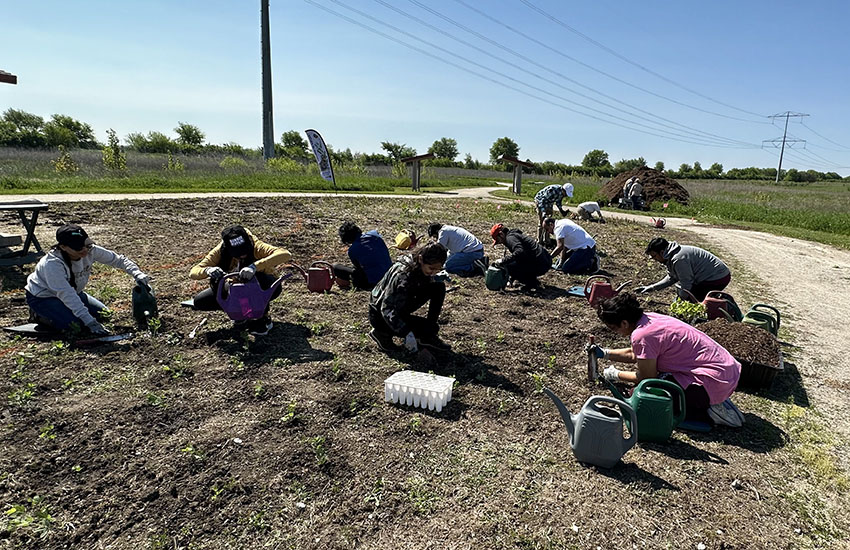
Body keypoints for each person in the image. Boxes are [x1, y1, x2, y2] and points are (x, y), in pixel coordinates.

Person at [589, 293, 744, 427]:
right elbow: (636, 354)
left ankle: (710, 411)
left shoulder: (642, 335)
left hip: (714, 380)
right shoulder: (649, 319)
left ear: (624, 323)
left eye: (613, 328)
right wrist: (605, 353)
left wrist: (614, 374)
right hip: (726, 372)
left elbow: (647, 379)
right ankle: (708, 399)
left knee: (644, 397)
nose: (614, 332)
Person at [25, 224, 150, 335]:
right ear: (63, 247)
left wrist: (137, 273)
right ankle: (40, 315)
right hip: (44, 297)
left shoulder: (91, 250)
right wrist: (90, 322)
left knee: (104, 315)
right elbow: (66, 294)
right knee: (76, 326)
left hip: (75, 293)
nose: (84, 250)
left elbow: (118, 260)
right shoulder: (52, 265)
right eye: (78, 248)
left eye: (86, 245)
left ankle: (64, 313)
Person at [189, 225, 291, 335]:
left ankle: (261, 319)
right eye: (237, 252)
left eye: (244, 250)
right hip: (235, 288)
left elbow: (285, 254)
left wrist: (254, 267)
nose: (242, 255)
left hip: (263, 286)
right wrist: (208, 270)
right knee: (201, 301)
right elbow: (194, 272)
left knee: (257, 281)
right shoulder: (220, 251)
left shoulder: (256, 246)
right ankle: (240, 313)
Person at [368, 242, 452, 353]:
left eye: (438, 269)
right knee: (423, 329)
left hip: (399, 305)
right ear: (421, 259)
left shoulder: (416, 263)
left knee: (438, 287)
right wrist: (406, 332)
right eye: (431, 268)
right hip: (380, 315)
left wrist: (433, 277)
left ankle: (427, 335)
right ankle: (382, 333)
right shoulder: (403, 276)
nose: (434, 272)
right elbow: (386, 309)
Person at [636, 238, 731, 302]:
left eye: (654, 256)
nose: (654, 259)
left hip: (718, 277)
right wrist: (651, 288)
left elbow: (686, 283)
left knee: (693, 299)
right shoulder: (671, 255)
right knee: (689, 296)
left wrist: (679, 301)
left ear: (661, 252)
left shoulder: (679, 259)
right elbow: (671, 277)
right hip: (711, 276)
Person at [332, 221, 392, 291]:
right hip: (389, 276)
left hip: (372, 283)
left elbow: (359, 268)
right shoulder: (374, 234)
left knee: (335, 267)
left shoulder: (352, 250)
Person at [489, 223, 552, 290]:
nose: (500, 243)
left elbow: (520, 252)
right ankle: (532, 281)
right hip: (545, 260)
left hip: (540, 263)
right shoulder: (514, 235)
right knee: (514, 261)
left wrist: (503, 260)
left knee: (507, 264)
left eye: (498, 240)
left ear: (501, 234)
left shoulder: (510, 238)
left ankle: (531, 283)